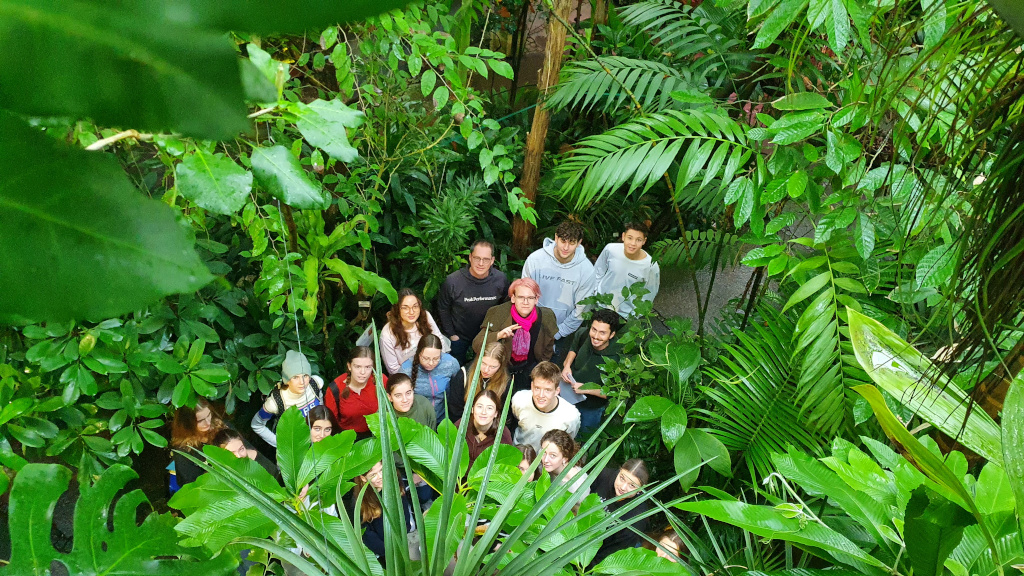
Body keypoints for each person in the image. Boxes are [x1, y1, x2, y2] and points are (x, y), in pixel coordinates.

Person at [436, 240, 510, 364]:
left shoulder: (500, 280)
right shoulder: (453, 281)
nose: (481, 263)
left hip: (488, 335)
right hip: (460, 337)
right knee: (457, 371)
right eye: (477, 258)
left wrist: (498, 332)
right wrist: (452, 335)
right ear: (470, 257)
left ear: (492, 260)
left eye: (486, 259)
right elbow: (443, 308)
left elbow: (505, 305)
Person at [521, 220, 596, 342]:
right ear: (556, 238)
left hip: (565, 332)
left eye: (571, 243)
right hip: (530, 327)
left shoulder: (586, 270)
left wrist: (558, 333)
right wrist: (528, 325)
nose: (566, 247)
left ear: (579, 243)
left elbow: (582, 309)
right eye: (563, 241)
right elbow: (523, 294)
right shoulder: (535, 260)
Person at [473, 278, 557, 377]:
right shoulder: (498, 313)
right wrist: (498, 335)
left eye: (530, 298)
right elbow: (476, 345)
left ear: (536, 299)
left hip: (531, 369)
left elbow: (549, 345)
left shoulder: (547, 316)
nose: (525, 302)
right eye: (521, 297)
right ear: (513, 298)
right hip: (502, 370)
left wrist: (540, 367)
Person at [561, 309, 622, 434]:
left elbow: (613, 393)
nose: (595, 336)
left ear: (611, 335)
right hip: (569, 397)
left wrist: (586, 389)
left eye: (602, 333)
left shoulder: (617, 357)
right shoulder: (583, 334)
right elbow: (574, 348)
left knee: (583, 438)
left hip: (591, 408)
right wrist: (567, 366)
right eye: (594, 329)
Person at [251, 350, 324, 448]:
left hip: (320, 444)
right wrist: (282, 446)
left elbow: (321, 406)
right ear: (287, 380)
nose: (302, 382)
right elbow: (257, 425)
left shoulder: (316, 384)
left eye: (305, 376)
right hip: (294, 451)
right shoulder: (276, 402)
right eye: (295, 377)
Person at [350, 461, 414, 567]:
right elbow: (367, 534)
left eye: (381, 470)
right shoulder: (360, 502)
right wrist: (386, 550)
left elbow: (404, 511)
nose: (380, 476)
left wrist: (404, 530)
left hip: (400, 540)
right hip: (382, 551)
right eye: (373, 475)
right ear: (363, 478)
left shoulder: (394, 483)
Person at [593, 221, 661, 318]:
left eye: (638, 240)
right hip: (600, 304)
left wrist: (634, 316)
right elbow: (598, 271)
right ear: (623, 236)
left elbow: (649, 294)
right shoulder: (611, 249)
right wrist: (595, 292)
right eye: (630, 238)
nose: (633, 243)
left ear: (644, 241)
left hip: (625, 315)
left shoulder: (651, 266)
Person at [590, 459, 651, 565]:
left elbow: (610, 558)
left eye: (632, 486)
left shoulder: (636, 519)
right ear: (619, 471)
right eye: (622, 478)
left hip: (604, 552)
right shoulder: (604, 475)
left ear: (640, 490)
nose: (623, 487)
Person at [511, 361, 580, 451]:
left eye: (547, 390)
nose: (541, 395)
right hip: (518, 455)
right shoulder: (519, 399)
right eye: (537, 388)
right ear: (531, 386)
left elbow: (567, 443)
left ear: (557, 391)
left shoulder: (570, 416)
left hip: (546, 462)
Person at [380, 288, 447, 374]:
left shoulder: (425, 316)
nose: (411, 312)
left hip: (433, 367)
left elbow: (439, 340)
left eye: (415, 306)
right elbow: (393, 370)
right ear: (397, 309)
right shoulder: (387, 334)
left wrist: (437, 363)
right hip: (407, 377)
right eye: (405, 308)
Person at [446, 341, 514, 422]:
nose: (486, 370)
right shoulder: (464, 375)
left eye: (493, 367)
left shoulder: (505, 382)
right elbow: (455, 409)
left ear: (500, 366)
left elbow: (505, 415)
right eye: (483, 363)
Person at [324, 347, 382, 440]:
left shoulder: (380, 381)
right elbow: (330, 423)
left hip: (376, 435)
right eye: (357, 367)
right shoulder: (335, 389)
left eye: (368, 367)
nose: (363, 372)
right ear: (349, 366)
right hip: (347, 438)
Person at [399, 334, 459, 424]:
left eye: (436, 358)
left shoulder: (450, 363)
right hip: (417, 420)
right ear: (419, 354)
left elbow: (457, 391)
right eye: (426, 358)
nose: (431, 363)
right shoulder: (406, 369)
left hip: (443, 419)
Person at [171, 399, 227, 488]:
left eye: (208, 415)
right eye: (200, 421)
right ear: (187, 423)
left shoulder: (221, 427)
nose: (207, 423)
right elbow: (190, 485)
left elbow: (249, 452)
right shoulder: (184, 449)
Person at [457, 389, 514, 467]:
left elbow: (505, 465)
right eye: (480, 406)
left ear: (496, 413)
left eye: (489, 408)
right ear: (472, 409)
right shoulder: (460, 426)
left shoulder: (503, 435)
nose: (483, 412)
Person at [540, 429, 588, 497]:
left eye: (553, 455)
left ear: (565, 458)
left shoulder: (577, 486)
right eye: (543, 453)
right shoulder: (548, 467)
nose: (545, 460)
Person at [213, 428, 278, 478]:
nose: (238, 456)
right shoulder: (221, 474)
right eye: (231, 453)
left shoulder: (264, 466)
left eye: (241, 449)